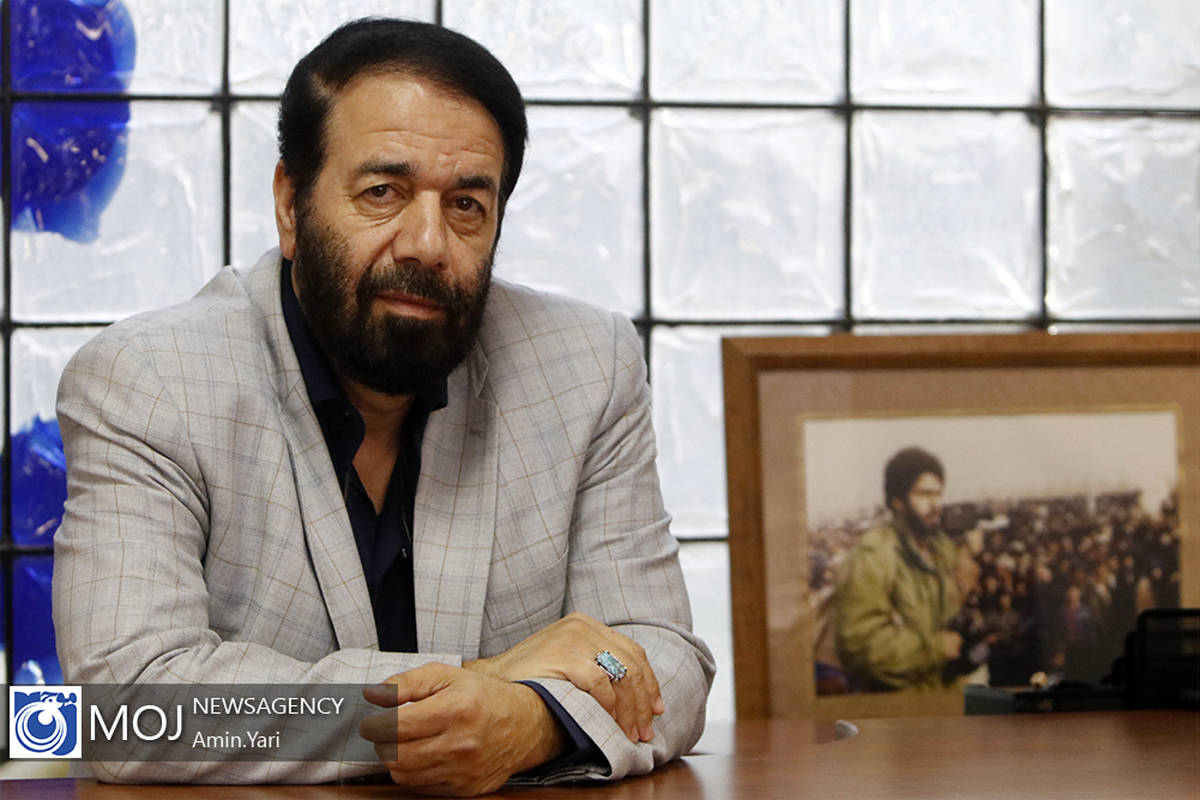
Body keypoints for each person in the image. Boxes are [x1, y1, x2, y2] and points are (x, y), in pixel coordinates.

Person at [51, 18, 713, 794]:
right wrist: (482, 681)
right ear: (291, 204)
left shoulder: (583, 365)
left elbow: (662, 660)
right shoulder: (150, 381)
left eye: (466, 204)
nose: (427, 243)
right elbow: (122, 710)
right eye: (383, 193)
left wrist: (531, 722)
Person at [833, 446, 976, 691]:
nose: (936, 504)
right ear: (897, 501)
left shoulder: (941, 548)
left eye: (938, 493)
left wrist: (964, 585)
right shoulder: (873, 556)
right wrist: (936, 647)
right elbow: (858, 647)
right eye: (924, 494)